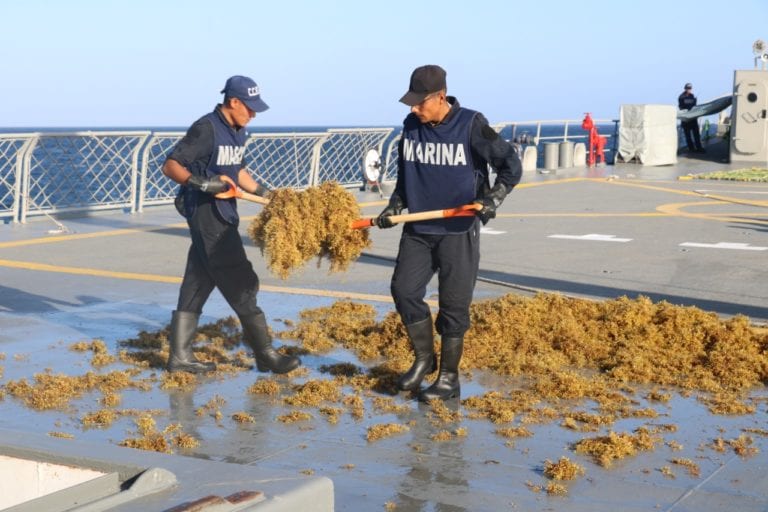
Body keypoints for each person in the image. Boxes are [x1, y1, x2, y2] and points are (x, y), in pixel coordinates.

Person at [376, 65, 522, 401]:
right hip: (418, 227)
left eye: (419, 102)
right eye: (410, 102)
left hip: (458, 229)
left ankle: (449, 379)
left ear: (440, 97)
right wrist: (395, 206)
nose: (413, 109)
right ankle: (424, 359)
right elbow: (405, 173)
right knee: (404, 289)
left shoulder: (471, 125)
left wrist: (492, 199)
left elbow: (510, 165)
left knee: (454, 306)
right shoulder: (412, 126)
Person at [162, 75, 300, 375]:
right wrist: (202, 183)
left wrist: (266, 195)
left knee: (198, 280)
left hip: (224, 214)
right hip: (207, 216)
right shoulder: (206, 128)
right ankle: (266, 355)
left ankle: (180, 357)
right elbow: (171, 165)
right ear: (233, 102)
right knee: (241, 282)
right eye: (249, 108)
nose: (253, 114)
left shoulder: (237, 131)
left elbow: (237, 171)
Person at [678, 83, 705, 153]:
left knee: (696, 134)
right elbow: (683, 105)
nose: (689, 90)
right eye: (687, 88)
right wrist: (693, 101)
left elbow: (693, 106)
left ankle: (699, 148)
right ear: (685, 88)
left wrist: (694, 101)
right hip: (686, 119)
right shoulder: (681, 96)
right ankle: (691, 148)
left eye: (690, 88)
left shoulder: (692, 95)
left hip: (693, 118)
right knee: (688, 135)